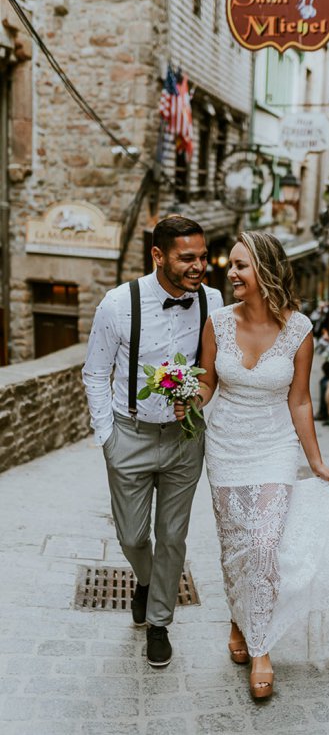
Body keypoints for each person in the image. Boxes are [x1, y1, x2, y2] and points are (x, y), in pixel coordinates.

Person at [178, 230, 329, 699]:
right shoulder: (217, 323)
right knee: (235, 546)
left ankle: (260, 646)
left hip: (274, 447)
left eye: (241, 266)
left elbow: (300, 402)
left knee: (264, 544)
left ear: (266, 270)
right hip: (226, 446)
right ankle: (239, 621)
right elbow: (207, 386)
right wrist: (187, 400)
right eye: (232, 266)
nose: (231, 273)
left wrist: (316, 462)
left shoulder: (298, 330)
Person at [82, 215, 224, 668]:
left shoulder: (214, 301)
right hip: (131, 435)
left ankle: (160, 622)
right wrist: (108, 437)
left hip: (186, 439)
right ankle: (145, 581)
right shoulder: (118, 304)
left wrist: (198, 403)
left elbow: (213, 368)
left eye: (202, 256)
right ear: (158, 256)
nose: (199, 266)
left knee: (173, 536)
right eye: (187, 258)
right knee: (131, 535)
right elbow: (94, 373)